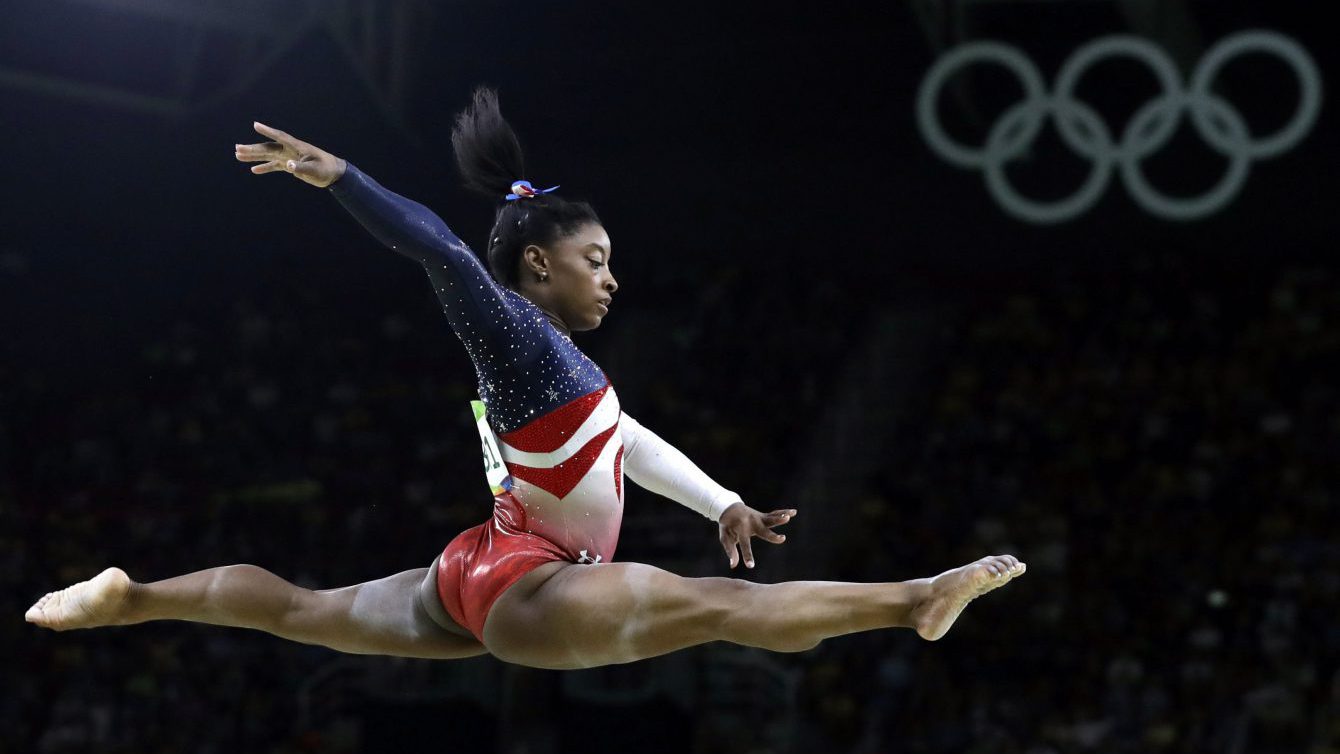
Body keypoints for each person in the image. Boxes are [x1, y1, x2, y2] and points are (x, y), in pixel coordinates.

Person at [25, 89, 1025, 670]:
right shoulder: (513, 330)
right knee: (721, 609)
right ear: (539, 265)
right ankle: (911, 599)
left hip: (483, 565)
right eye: (595, 258)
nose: (611, 276)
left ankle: (135, 596)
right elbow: (445, 256)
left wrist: (720, 499)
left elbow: (619, 438)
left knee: (301, 609)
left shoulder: (555, 368)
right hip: (526, 582)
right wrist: (343, 180)